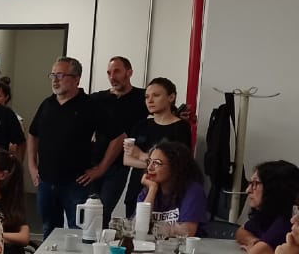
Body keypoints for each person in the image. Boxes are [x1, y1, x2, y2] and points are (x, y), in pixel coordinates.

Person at [25, 56, 119, 239]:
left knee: (79, 232)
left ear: (76, 79)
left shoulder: (90, 106)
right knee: (48, 229)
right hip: (46, 181)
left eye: (60, 75)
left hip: (76, 184)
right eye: (53, 75)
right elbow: (32, 134)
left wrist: (100, 169)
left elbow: (118, 137)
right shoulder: (47, 104)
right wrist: (31, 165)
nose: (55, 80)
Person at [120, 76, 191, 218]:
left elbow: (177, 164)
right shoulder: (141, 125)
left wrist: (141, 155)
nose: (150, 100)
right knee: (133, 227)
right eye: (147, 97)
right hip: (137, 188)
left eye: (156, 95)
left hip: (165, 193)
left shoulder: (181, 127)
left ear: (171, 97)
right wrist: (157, 164)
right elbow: (127, 160)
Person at [90, 56, 149, 220]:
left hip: (120, 164)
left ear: (129, 72)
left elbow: (164, 112)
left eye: (116, 71)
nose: (112, 77)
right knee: (89, 211)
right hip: (93, 162)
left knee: (103, 213)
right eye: (109, 73)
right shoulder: (97, 99)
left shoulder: (143, 97)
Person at [234, 160, 299, 254]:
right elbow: (241, 232)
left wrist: (255, 247)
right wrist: (254, 241)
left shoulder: (288, 219)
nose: (248, 190)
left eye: (255, 184)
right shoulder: (268, 212)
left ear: (275, 187)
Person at [137, 140, 207, 237]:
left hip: (185, 246)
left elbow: (187, 231)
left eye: (157, 163)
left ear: (174, 167)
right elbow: (137, 226)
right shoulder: (149, 190)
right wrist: (152, 189)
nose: (149, 168)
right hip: (154, 244)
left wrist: (150, 227)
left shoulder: (193, 191)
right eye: (149, 162)